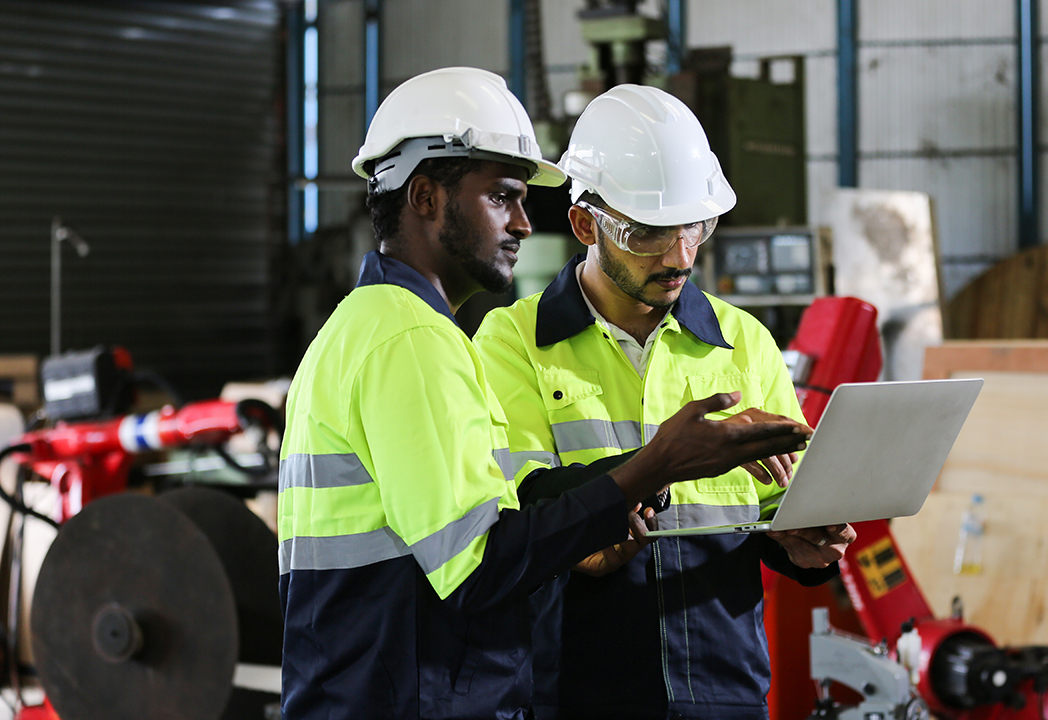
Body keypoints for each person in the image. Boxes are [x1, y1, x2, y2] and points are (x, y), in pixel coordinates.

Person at [276, 68, 812, 720]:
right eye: (502, 197)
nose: (526, 224)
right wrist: (659, 464)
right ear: (424, 197)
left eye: (694, 227)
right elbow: (481, 563)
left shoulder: (385, 329)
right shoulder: (413, 340)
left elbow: (500, 521)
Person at [473, 84, 857, 720]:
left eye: (696, 227)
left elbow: (773, 507)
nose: (680, 257)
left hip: (724, 690)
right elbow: (515, 514)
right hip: (578, 693)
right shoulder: (514, 343)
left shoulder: (743, 342)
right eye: (649, 233)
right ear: (584, 223)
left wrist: (802, 544)